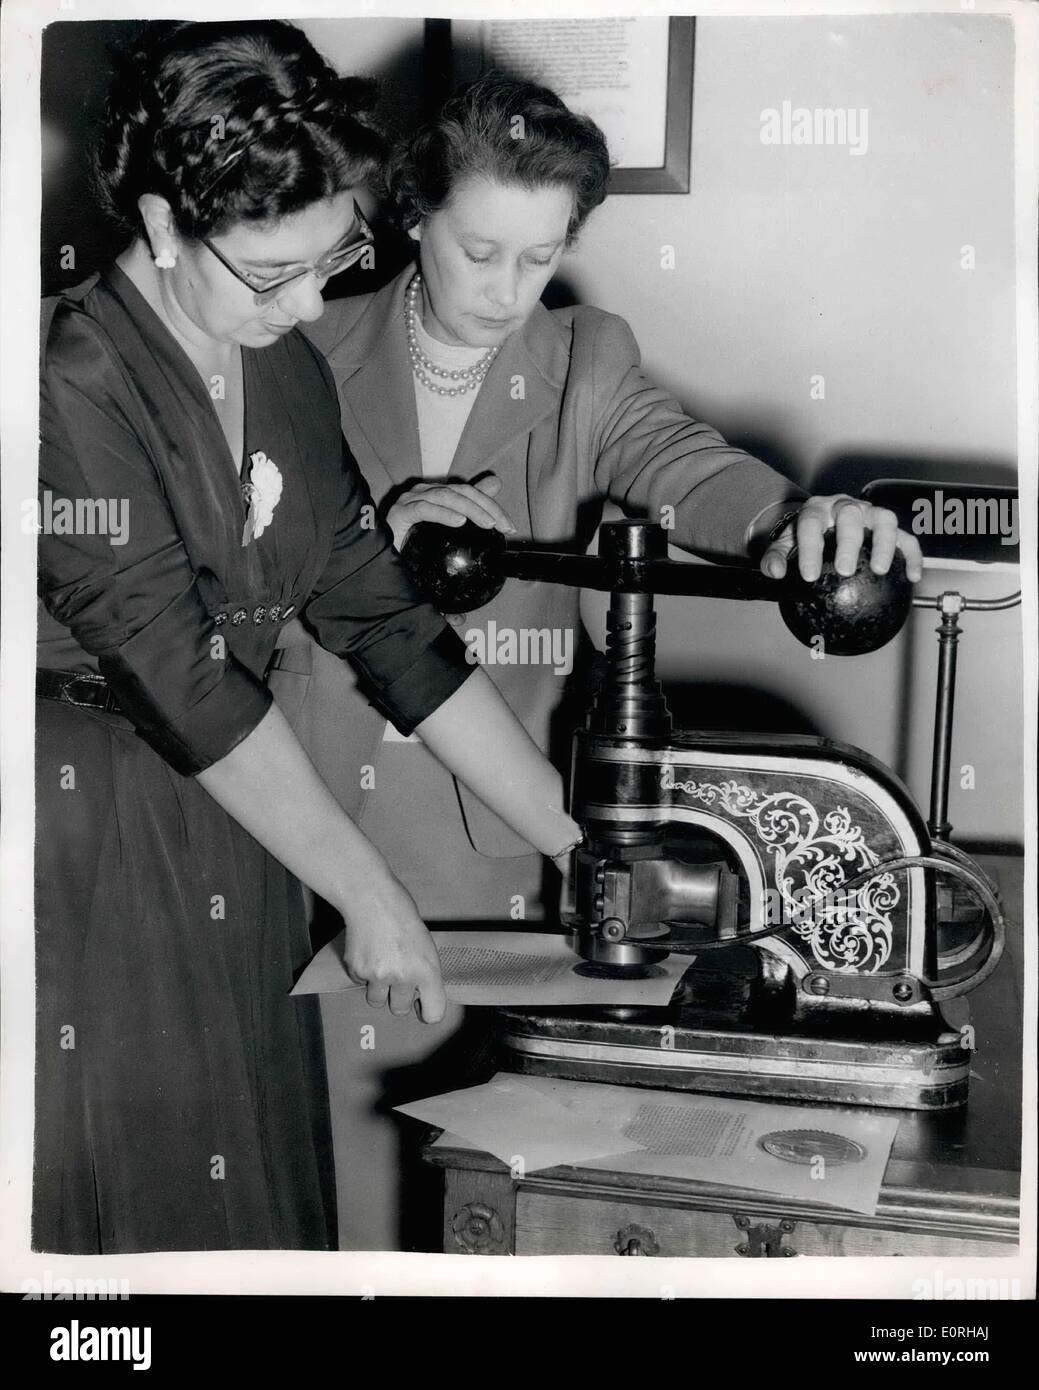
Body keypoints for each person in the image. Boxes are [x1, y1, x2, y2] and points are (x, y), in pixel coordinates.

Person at [34, 25, 582, 1255]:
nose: (306, 301)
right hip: (91, 827)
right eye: (267, 271)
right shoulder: (68, 382)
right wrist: (368, 889)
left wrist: (571, 834)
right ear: (167, 224)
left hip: (235, 815)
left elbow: (376, 611)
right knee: (131, 1194)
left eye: (330, 256)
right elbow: (176, 673)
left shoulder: (277, 367)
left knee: (240, 1196)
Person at [282, 73, 924, 926]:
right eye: (478, 253)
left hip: (487, 824)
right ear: (413, 216)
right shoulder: (299, 348)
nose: (508, 292)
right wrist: (367, 543)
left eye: (539, 258)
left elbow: (682, 463)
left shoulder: (585, 360)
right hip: (297, 797)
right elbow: (225, 567)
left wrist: (789, 522)